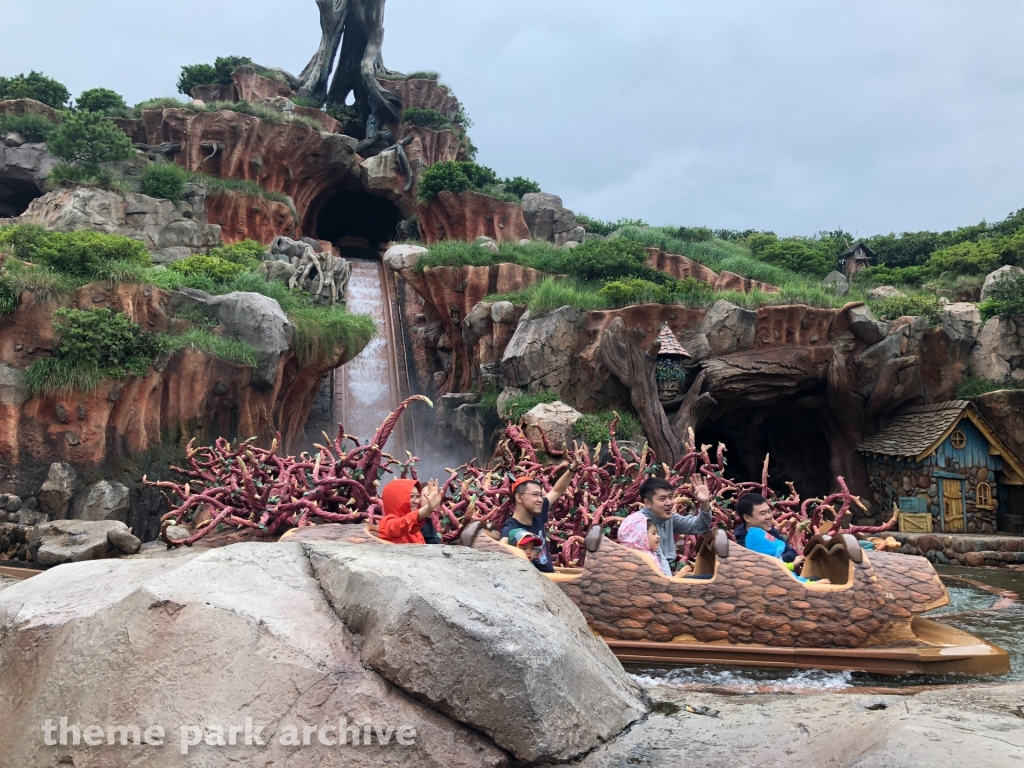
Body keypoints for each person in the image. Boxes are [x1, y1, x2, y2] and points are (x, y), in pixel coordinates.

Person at [500, 445, 586, 573]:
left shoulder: (537, 512)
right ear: (519, 498)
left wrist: (574, 466)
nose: (540, 499)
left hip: (550, 580)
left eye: (541, 495)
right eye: (535, 495)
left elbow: (557, 490)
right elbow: (501, 547)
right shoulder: (511, 528)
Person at [639, 475, 714, 572]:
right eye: (662, 499)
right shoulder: (640, 524)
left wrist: (704, 503)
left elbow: (700, 526)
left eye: (670, 497)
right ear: (647, 503)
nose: (669, 502)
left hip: (668, 573)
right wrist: (673, 580)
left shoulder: (669, 518)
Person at [733, 493, 802, 568]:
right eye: (763, 513)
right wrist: (784, 561)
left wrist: (776, 560)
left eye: (769, 511)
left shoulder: (770, 530)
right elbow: (762, 566)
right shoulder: (741, 543)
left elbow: (792, 552)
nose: (769, 516)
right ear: (747, 518)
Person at [378, 478, 442, 544]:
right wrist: (428, 508)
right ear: (398, 499)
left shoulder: (414, 529)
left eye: (417, 496)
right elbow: (403, 523)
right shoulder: (387, 524)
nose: (417, 501)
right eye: (411, 496)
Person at [616, 511, 672, 576]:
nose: (658, 536)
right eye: (653, 533)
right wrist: (679, 575)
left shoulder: (632, 556)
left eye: (657, 533)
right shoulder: (646, 560)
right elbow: (660, 583)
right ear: (641, 536)